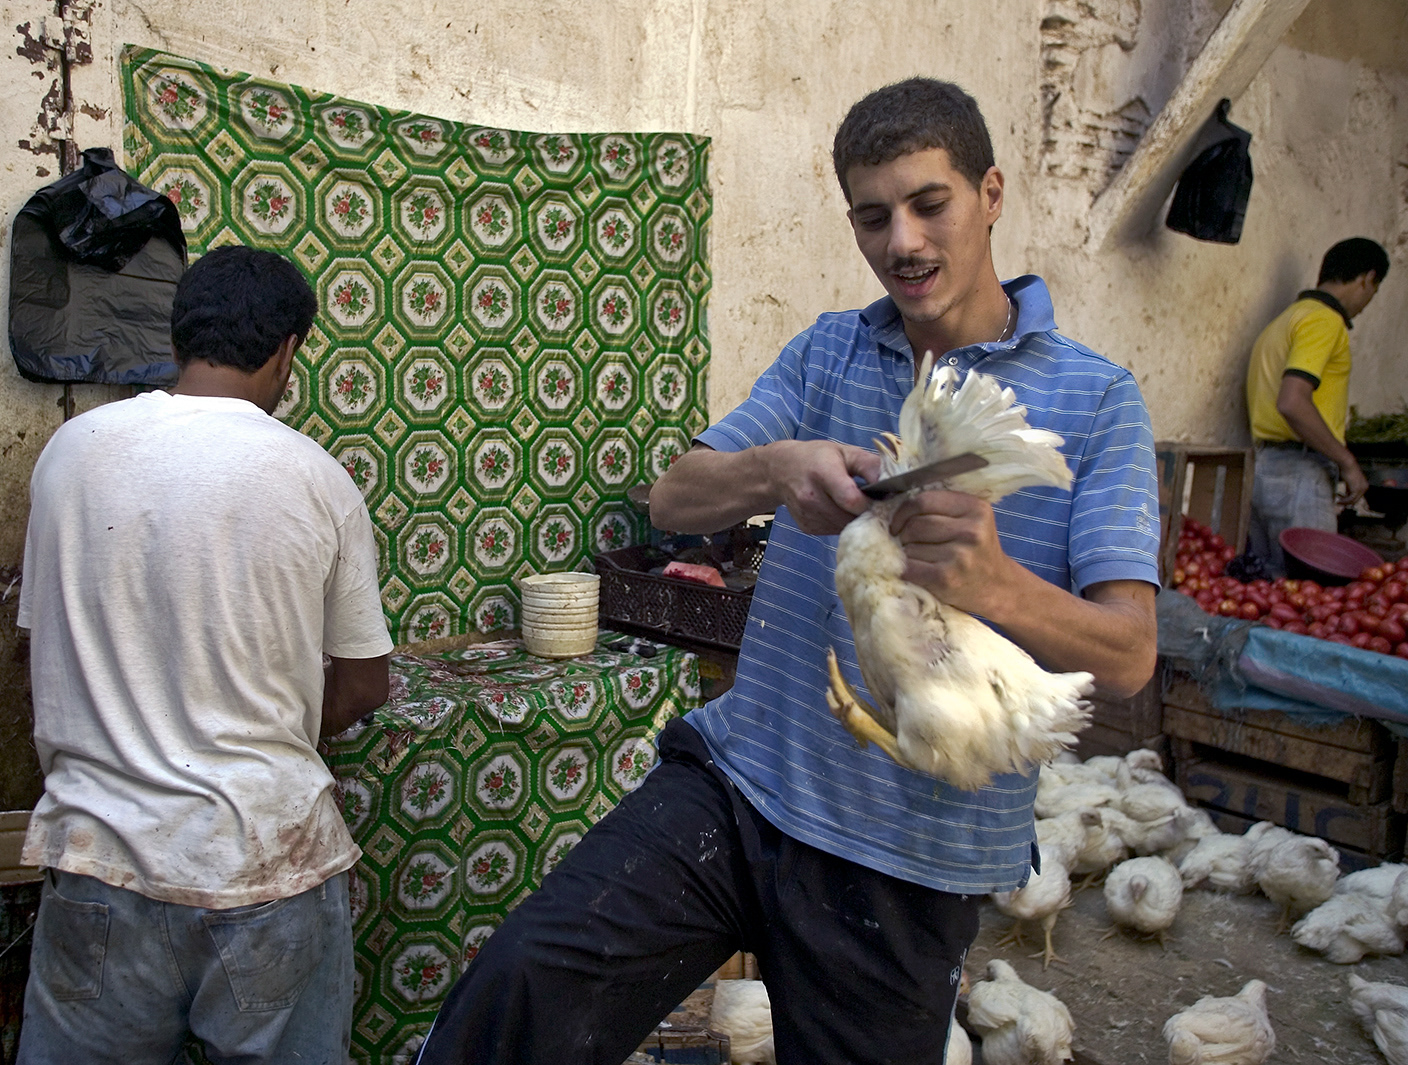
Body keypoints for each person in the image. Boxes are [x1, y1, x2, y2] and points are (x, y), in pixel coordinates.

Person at [413, 78, 1159, 1065]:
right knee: (520, 990)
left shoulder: (1097, 398)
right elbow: (674, 499)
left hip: (908, 855)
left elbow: (1130, 656)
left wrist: (995, 588)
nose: (902, 241)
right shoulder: (830, 352)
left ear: (991, 192)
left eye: (928, 204)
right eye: (871, 215)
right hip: (740, 783)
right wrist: (775, 467)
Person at [14, 246, 393, 1065]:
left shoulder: (70, 454)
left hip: (96, 860)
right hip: (266, 862)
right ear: (288, 350)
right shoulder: (317, 478)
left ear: (179, 335)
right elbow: (365, 684)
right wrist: (275, 723)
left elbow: (43, 650)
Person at [1245, 237, 1390, 574]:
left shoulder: (1286, 320)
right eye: (1374, 290)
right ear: (1367, 279)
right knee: (1312, 596)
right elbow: (1292, 401)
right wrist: (1348, 463)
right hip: (1300, 473)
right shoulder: (1325, 321)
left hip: (1263, 469)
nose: (1367, 302)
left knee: (1271, 591)